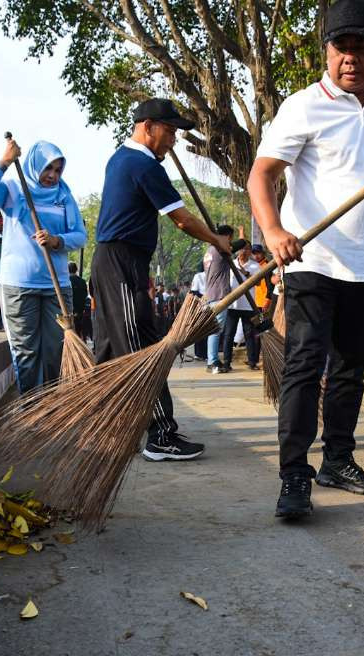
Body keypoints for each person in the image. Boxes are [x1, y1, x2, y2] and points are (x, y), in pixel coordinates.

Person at [247, 0, 364, 519]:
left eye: (360, 46)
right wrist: (274, 230)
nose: (349, 57)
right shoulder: (304, 106)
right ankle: (293, 478)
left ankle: (338, 460)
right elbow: (261, 175)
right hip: (312, 259)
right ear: (327, 52)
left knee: (352, 368)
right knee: (304, 367)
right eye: (340, 48)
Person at [90, 98, 230, 461]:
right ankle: (160, 435)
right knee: (142, 349)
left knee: (109, 348)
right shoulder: (142, 164)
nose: (172, 141)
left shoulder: (120, 159)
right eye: (169, 132)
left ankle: (103, 426)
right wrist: (216, 240)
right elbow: (182, 219)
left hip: (115, 261)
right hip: (121, 262)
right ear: (148, 126)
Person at [0, 139, 88, 394]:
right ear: (35, 166)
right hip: (19, 286)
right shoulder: (14, 189)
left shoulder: (64, 196)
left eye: (58, 170)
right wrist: (4, 162)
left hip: (56, 285)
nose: (52, 175)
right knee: (26, 352)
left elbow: (80, 235)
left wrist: (57, 240)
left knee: (55, 350)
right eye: (48, 168)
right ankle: (30, 409)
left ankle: (49, 407)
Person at [222, 240, 260, 371]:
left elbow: (258, 283)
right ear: (238, 251)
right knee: (228, 334)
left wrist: (245, 272)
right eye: (242, 249)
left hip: (248, 305)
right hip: (233, 305)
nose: (244, 251)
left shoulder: (255, 266)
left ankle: (252, 362)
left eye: (247, 249)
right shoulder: (230, 263)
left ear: (250, 251)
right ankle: (226, 362)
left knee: (249, 334)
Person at [204, 225, 235, 373]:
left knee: (214, 329)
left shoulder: (209, 250)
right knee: (216, 330)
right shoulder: (219, 249)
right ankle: (212, 361)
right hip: (219, 294)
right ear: (227, 237)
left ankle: (213, 359)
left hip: (212, 294)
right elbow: (239, 245)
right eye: (230, 238)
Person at [189, 264, 209, 361]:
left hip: (205, 305)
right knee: (204, 330)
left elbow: (193, 292)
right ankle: (202, 354)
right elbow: (194, 292)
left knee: (202, 330)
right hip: (204, 305)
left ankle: (201, 354)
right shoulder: (200, 276)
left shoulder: (200, 275)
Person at [68, 262, 90, 341]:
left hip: (70, 310)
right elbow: (85, 295)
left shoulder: (66, 282)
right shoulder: (82, 281)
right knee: (79, 329)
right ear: (76, 270)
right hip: (80, 310)